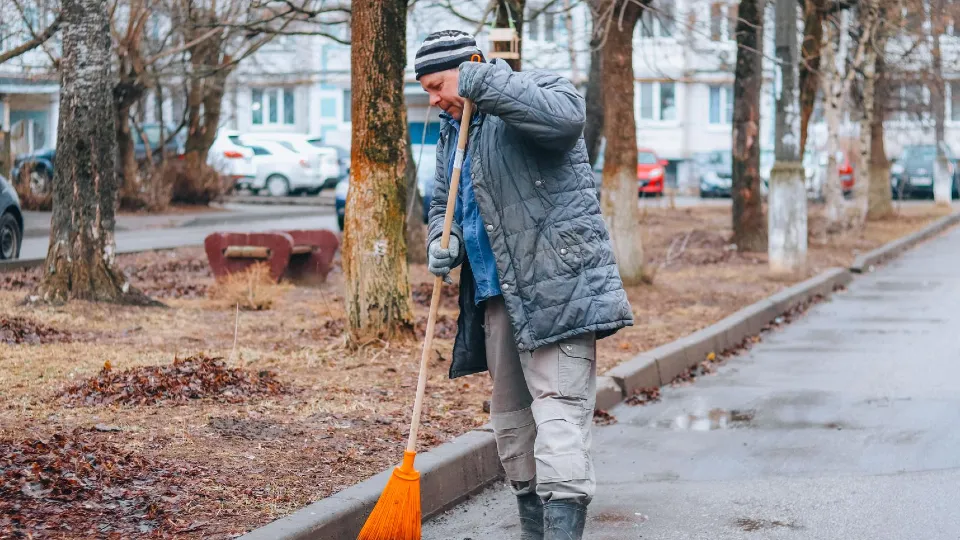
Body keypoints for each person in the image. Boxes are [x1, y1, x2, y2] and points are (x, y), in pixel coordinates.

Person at [416, 30, 633, 540]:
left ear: (470, 66)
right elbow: (443, 202)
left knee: (559, 418)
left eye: (438, 84)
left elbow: (564, 121)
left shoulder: (537, 89)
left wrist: (482, 81)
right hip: (496, 297)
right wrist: (439, 243)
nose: (433, 99)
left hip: (557, 287)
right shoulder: (454, 129)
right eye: (426, 89)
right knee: (512, 427)